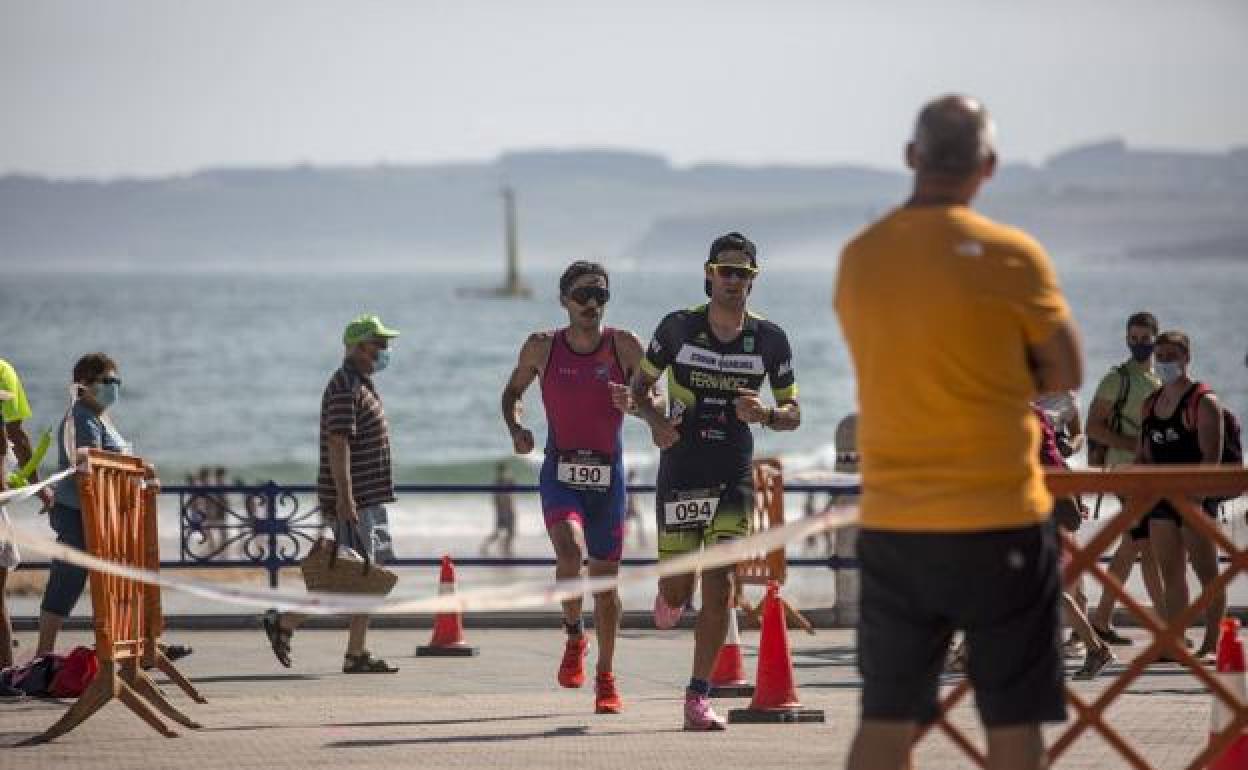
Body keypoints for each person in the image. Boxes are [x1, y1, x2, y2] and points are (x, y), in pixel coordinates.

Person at [836, 95, 1081, 770]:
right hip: (1000, 514)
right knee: (1012, 722)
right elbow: (1066, 370)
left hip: (896, 520)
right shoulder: (1012, 257)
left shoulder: (862, 257)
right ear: (989, 166)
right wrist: (1004, 366)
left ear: (912, 157)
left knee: (884, 720)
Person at [631, 232, 800, 731]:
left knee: (721, 583)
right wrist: (655, 424)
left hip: (731, 469)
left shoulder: (771, 339)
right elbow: (642, 386)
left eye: (743, 274)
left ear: (753, 280)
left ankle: (697, 698)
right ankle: (669, 595)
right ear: (708, 274)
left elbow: (794, 411)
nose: (733, 281)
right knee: (680, 590)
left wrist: (767, 414)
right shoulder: (678, 327)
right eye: (725, 272)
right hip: (682, 466)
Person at [501, 260, 647, 715]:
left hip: (608, 479)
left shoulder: (623, 345)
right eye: (582, 294)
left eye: (600, 295)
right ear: (564, 299)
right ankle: (572, 635)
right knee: (568, 550)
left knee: (605, 587)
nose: (591, 303)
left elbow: (655, 397)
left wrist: (638, 402)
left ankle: (605, 675)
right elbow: (512, 393)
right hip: (561, 473)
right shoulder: (542, 347)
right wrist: (517, 429)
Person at [263, 314, 401, 674]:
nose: (385, 351)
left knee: (365, 578)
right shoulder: (345, 385)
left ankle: (356, 653)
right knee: (349, 577)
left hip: (367, 499)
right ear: (358, 346)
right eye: (378, 344)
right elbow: (338, 443)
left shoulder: (360, 383)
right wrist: (346, 498)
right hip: (356, 502)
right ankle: (285, 623)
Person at [1135, 330, 1226, 660]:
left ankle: (1212, 641)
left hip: (1195, 500)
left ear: (1187, 358)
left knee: (1208, 574)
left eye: (1172, 356)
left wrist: (1197, 500)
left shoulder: (1203, 401)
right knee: (1170, 574)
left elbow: (1211, 459)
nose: (1165, 363)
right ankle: (1175, 641)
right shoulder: (1151, 403)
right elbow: (1143, 455)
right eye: (1160, 357)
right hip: (1161, 500)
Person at [35, 353, 130, 655]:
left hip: (101, 514)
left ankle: (118, 644)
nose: (114, 387)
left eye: (117, 380)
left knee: (110, 582)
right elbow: (89, 462)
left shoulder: (99, 415)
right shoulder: (82, 416)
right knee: (68, 579)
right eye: (107, 381)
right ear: (85, 384)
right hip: (78, 513)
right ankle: (44, 654)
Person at [1087, 312, 1165, 645]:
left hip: (1150, 472)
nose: (1139, 345)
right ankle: (1166, 627)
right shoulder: (1116, 379)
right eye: (1133, 339)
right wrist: (1133, 445)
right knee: (1143, 544)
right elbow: (1093, 427)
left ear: (1156, 339)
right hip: (1124, 470)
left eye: (1145, 338)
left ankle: (1102, 619)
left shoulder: (1159, 381)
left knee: (1138, 545)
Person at [480, 462, 516, 558]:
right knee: (502, 532)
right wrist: (502, 511)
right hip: (504, 511)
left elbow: (512, 488)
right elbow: (497, 499)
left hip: (508, 509)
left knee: (510, 532)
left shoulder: (505, 480)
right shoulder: (499, 481)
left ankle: (505, 549)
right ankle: (501, 549)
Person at [624, 470, 645, 547]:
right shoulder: (631, 483)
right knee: (639, 524)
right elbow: (632, 497)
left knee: (626, 524)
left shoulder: (628, 483)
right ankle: (642, 541)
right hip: (632, 507)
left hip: (630, 507)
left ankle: (642, 541)